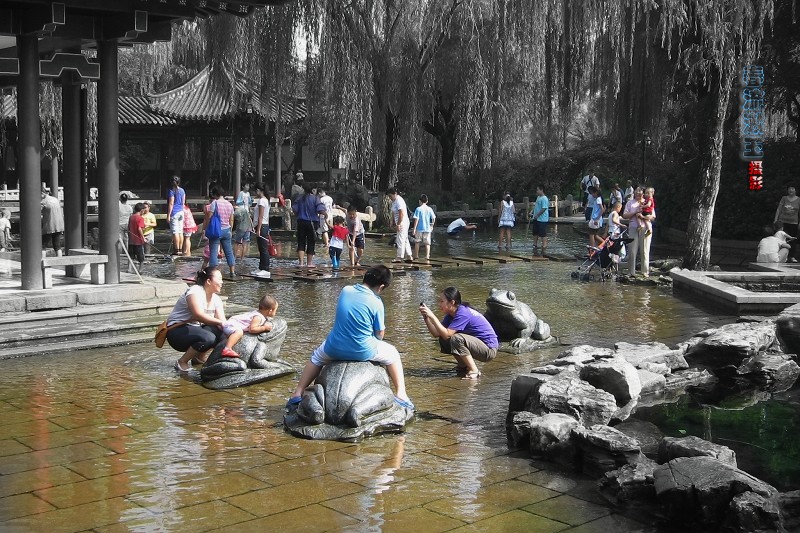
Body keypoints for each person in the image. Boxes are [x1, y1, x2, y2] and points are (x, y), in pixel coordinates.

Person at [286, 265, 413, 410]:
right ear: (381, 287)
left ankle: (297, 392)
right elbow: (380, 334)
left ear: (364, 277)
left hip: (334, 348)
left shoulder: (346, 290)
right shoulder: (377, 302)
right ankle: (401, 394)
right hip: (363, 351)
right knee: (393, 354)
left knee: (316, 358)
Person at [419, 287, 498, 380]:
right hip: (478, 345)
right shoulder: (451, 314)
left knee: (456, 338)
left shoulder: (463, 313)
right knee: (444, 338)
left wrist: (432, 316)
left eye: (441, 301)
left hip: (488, 349)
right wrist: (426, 318)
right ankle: (463, 365)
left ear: (452, 302)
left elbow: (447, 334)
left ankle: (474, 370)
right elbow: (437, 333)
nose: (439, 304)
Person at [166, 267, 226, 372]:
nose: (222, 282)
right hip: (177, 331)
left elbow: (222, 323)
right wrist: (221, 322)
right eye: (219, 279)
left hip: (196, 330)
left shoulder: (216, 299)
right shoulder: (194, 291)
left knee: (223, 335)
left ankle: (199, 358)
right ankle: (182, 362)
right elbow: (198, 315)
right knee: (208, 337)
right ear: (208, 281)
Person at [203, 185, 236, 278]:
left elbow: (209, 217)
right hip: (227, 230)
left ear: (216, 194)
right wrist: (230, 230)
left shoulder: (215, 203)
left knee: (213, 252)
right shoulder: (229, 204)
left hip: (216, 231)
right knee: (229, 252)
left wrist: (206, 228)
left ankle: (213, 273)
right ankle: (232, 272)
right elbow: (232, 219)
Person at [623, 187, 655, 277]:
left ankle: (645, 271)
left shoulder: (647, 201)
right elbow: (624, 215)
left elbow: (653, 216)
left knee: (645, 250)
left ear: (643, 193)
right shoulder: (630, 203)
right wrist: (634, 213)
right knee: (632, 251)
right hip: (633, 227)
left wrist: (643, 217)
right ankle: (631, 272)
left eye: (640, 191)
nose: (638, 192)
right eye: (636, 191)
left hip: (645, 228)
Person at [292, 183, 326, 267]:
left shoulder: (299, 198)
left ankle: (301, 263)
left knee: (301, 242)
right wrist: (325, 214)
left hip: (301, 222)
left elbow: (294, 209)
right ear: (312, 190)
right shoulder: (315, 198)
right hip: (312, 223)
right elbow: (320, 209)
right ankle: (309, 263)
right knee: (311, 242)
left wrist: (299, 214)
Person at [774, 186, 800, 262]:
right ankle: (779, 255)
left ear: (795, 191)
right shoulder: (784, 198)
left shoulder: (799, 200)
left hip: (793, 222)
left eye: (792, 188)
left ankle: (791, 256)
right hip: (783, 221)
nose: (791, 190)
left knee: (792, 239)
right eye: (789, 189)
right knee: (780, 238)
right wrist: (776, 219)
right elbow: (779, 209)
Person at [251, 183, 272, 277]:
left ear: (260, 190)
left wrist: (258, 229)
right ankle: (261, 267)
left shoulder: (262, 201)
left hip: (262, 225)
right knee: (261, 247)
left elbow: (260, 216)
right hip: (263, 225)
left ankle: (266, 268)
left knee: (263, 248)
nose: (255, 192)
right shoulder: (264, 200)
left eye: (256, 190)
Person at [388, 187, 413, 263]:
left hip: (402, 222)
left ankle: (399, 257)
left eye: (390, 196)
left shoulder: (399, 200)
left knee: (400, 239)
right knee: (405, 239)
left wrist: (398, 224)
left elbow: (401, 213)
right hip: (400, 221)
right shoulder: (394, 201)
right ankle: (409, 255)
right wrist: (392, 221)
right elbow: (393, 212)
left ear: (395, 194)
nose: (390, 198)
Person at [412, 194, 436, 261]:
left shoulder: (418, 209)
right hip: (427, 229)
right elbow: (433, 218)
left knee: (417, 242)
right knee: (427, 243)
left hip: (419, 228)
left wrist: (414, 229)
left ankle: (416, 256)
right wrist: (432, 225)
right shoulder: (429, 209)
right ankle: (427, 256)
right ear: (427, 201)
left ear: (419, 201)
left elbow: (416, 220)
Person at [41, 188, 64, 255]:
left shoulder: (43, 202)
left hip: (49, 226)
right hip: (59, 225)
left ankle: (42, 262)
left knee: (43, 246)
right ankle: (59, 262)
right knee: (57, 246)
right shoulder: (55, 199)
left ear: (42, 193)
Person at [166, 176, 186, 256]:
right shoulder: (182, 190)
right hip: (181, 211)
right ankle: (180, 249)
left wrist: (168, 215)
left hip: (174, 212)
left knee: (175, 232)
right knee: (180, 231)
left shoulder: (171, 191)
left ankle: (176, 250)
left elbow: (171, 203)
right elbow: (183, 202)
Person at [127, 202, 146, 273]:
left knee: (131, 256)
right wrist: (143, 237)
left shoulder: (131, 217)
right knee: (141, 258)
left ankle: (129, 269)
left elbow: (128, 227)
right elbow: (139, 228)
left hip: (131, 240)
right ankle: (140, 270)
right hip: (138, 241)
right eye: (143, 210)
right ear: (141, 210)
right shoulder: (140, 218)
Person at [530, 185, 549, 255]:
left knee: (542, 233)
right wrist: (532, 211)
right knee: (535, 232)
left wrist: (537, 215)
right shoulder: (538, 197)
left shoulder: (544, 198)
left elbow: (544, 208)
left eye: (538, 190)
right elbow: (536, 206)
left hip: (542, 219)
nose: (537, 191)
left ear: (542, 190)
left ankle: (544, 245)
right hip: (536, 218)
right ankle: (535, 244)